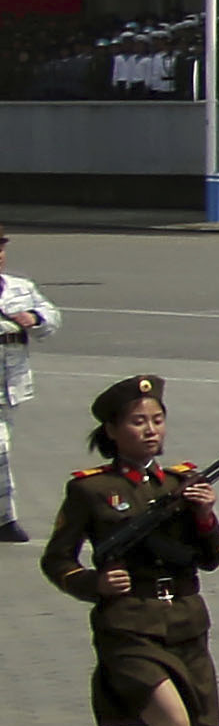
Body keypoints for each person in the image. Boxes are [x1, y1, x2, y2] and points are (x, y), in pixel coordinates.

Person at [52, 375, 219, 726]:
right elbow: (57, 560)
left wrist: (204, 517)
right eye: (138, 422)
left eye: (157, 420)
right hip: (128, 626)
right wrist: (93, 582)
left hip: (184, 622)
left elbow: (213, 558)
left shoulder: (181, 483)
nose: (151, 430)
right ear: (112, 429)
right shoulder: (91, 490)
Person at [0, 225, 48, 538]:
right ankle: (7, 520)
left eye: (1, 249)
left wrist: (35, 318)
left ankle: (4, 519)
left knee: (4, 448)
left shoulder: (21, 287)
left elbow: (51, 317)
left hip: (11, 383)